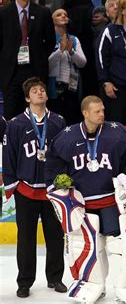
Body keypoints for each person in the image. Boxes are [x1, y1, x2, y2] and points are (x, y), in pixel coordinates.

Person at [44, 95, 126, 303]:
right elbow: (53, 164)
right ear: (85, 113)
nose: (102, 114)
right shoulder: (66, 138)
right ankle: (96, 284)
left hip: (110, 202)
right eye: (97, 111)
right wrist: (59, 184)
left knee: (118, 244)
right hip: (81, 204)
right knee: (91, 245)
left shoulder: (117, 132)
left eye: (103, 110)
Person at [3, 77, 67, 298]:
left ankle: (55, 278)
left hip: (52, 192)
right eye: (35, 91)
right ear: (27, 98)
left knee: (56, 237)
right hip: (27, 191)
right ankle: (24, 282)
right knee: (26, 239)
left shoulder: (58, 121)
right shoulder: (16, 124)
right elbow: (8, 156)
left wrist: (64, 182)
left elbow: (64, 155)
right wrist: (13, 184)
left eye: (42, 90)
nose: (40, 93)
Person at [0, 0, 55, 120]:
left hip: (35, 70)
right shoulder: (3, 13)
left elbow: (50, 42)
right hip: (11, 71)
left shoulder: (43, 12)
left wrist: (39, 57)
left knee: (36, 112)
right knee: (11, 112)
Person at [64, 0, 116, 97]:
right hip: (86, 44)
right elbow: (70, 15)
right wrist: (88, 16)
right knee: (89, 82)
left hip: (110, 45)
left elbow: (118, 12)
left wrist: (106, 19)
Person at [48, 8, 87, 125]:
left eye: (65, 14)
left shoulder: (73, 39)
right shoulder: (48, 37)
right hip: (53, 85)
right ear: (52, 20)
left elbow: (82, 63)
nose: (63, 16)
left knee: (72, 117)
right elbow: (46, 64)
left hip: (72, 85)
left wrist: (71, 51)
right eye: (59, 15)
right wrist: (60, 51)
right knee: (56, 118)